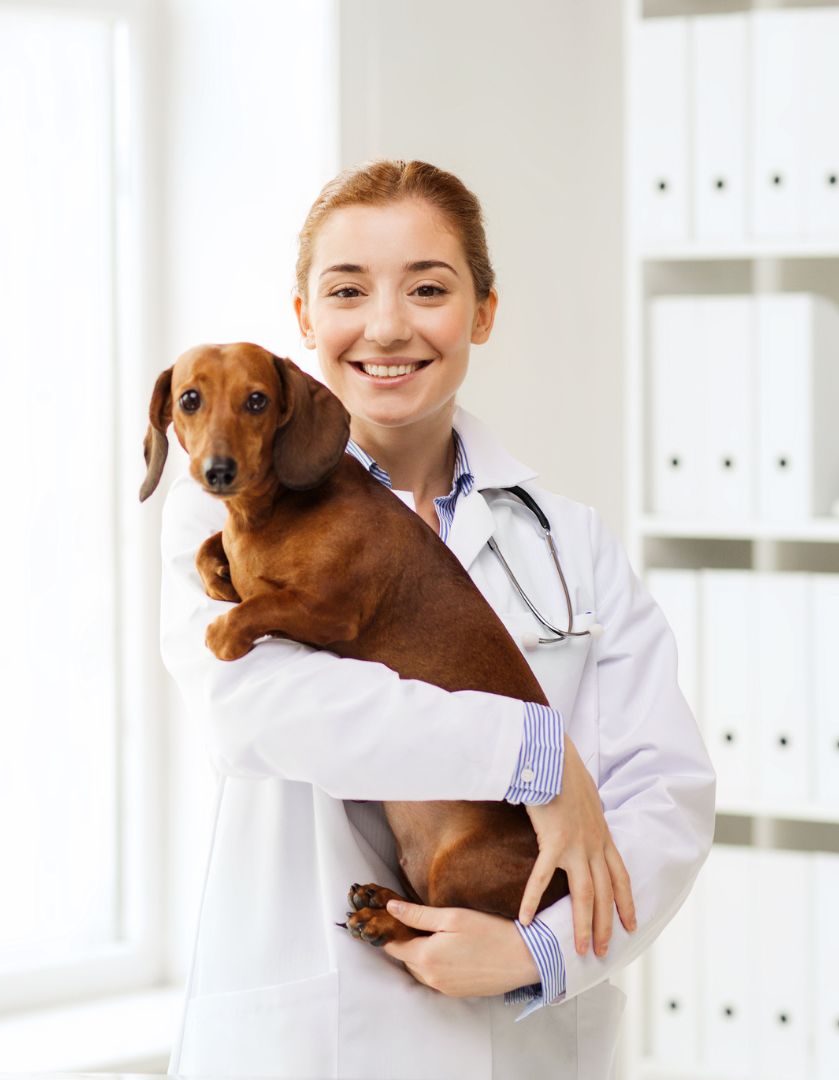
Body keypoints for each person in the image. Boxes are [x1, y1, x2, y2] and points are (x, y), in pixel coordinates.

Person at [159, 160, 716, 1079]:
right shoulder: (220, 513)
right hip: (315, 1036)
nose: (387, 326)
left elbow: (668, 794)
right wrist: (533, 753)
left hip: (524, 1037)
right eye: (347, 290)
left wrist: (543, 953)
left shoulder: (568, 542)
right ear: (304, 319)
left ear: (483, 315)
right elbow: (267, 710)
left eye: (428, 288)